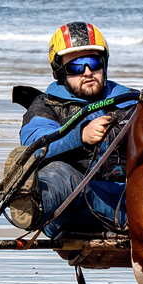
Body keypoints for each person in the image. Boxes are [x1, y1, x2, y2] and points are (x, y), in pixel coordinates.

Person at [11, 22, 134, 235]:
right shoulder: (46, 105)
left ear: (104, 64)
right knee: (61, 173)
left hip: (130, 205)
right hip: (70, 210)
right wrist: (81, 135)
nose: (87, 72)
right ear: (60, 73)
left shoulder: (130, 101)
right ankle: (31, 206)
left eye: (94, 63)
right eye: (76, 67)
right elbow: (33, 143)